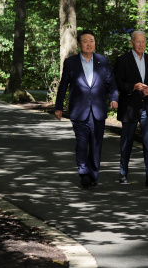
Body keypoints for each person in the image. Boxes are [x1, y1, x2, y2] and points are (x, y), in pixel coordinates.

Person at [54, 30, 118, 188]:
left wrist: (114, 98)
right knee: (82, 143)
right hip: (79, 110)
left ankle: (93, 174)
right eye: (85, 41)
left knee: (96, 144)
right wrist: (59, 106)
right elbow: (63, 86)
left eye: (92, 40)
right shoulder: (71, 62)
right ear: (79, 44)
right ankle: (83, 173)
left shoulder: (103, 61)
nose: (89, 44)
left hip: (98, 110)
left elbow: (111, 82)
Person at [114, 30, 148, 185]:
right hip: (129, 108)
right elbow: (118, 84)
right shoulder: (122, 60)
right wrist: (133, 87)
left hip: (146, 107)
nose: (141, 44)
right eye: (138, 41)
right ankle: (123, 173)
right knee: (126, 142)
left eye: (143, 41)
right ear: (132, 42)